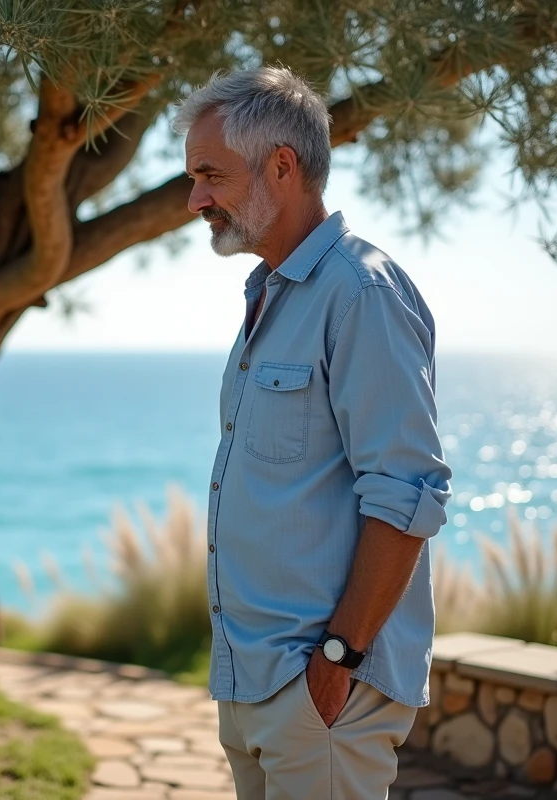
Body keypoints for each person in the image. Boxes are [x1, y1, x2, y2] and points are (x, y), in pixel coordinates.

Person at [172, 66, 454, 800]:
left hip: (322, 691)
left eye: (210, 174)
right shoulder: (269, 296)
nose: (195, 198)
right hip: (256, 684)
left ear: (283, 166)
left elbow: (408, 493)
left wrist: (337, 659)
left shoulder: (361, 294)